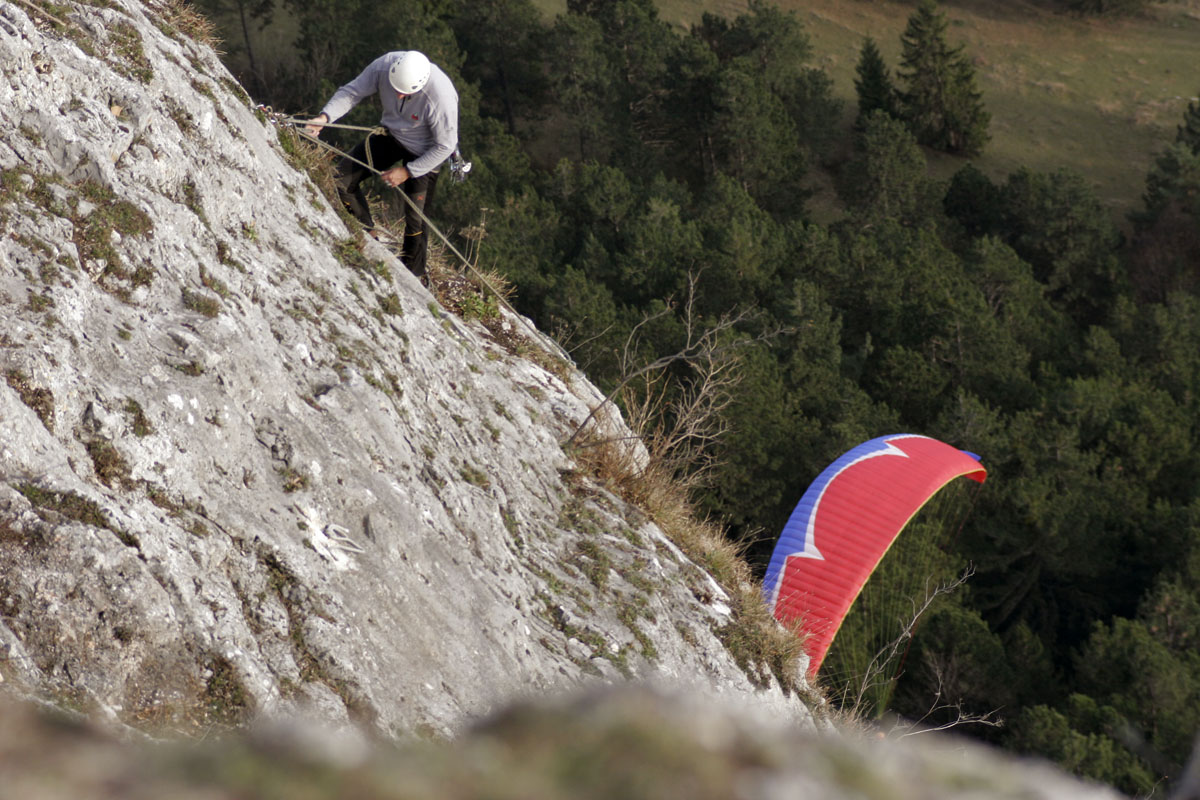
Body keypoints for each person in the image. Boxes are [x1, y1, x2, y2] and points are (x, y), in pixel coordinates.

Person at [304, 50, 458, 279]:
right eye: (395, 89)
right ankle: (368, 235)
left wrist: (408, 172)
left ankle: (414, 276)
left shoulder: (440, 96)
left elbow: (445, 146)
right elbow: (352, 92)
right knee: (341, 178)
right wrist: (324, 118)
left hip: (427, 151)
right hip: (392, 135)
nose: (397, 97)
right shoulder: (383, 67)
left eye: (404, 94)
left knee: (416, 219)